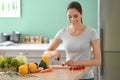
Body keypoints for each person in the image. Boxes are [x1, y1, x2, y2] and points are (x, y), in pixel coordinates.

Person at [44, 1, 101, 80]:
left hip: (86, 77)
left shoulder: (92, 32)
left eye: (75, 16)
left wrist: (76, 63)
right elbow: (46, 52)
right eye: (69, 16)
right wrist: (54, 53)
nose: (72, 19)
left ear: (81, 14)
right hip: (69, 76)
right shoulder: (63, 32)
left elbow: (98, 61)